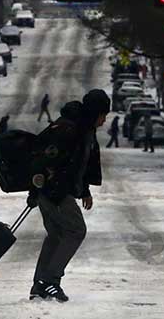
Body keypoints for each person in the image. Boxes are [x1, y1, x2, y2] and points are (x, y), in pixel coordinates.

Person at [29, 89, 109, 303]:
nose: (104, 121)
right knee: (76, 230)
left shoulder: (82, 129)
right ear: (95, 113)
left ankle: (40, 284)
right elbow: (46, 159)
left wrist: (85, 191)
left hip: (52, 190)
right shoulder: (69, 129)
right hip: (54, 191)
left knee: (56, 235)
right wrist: (35, 190)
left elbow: (78, 165)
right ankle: (50, 281)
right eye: (103, 115)